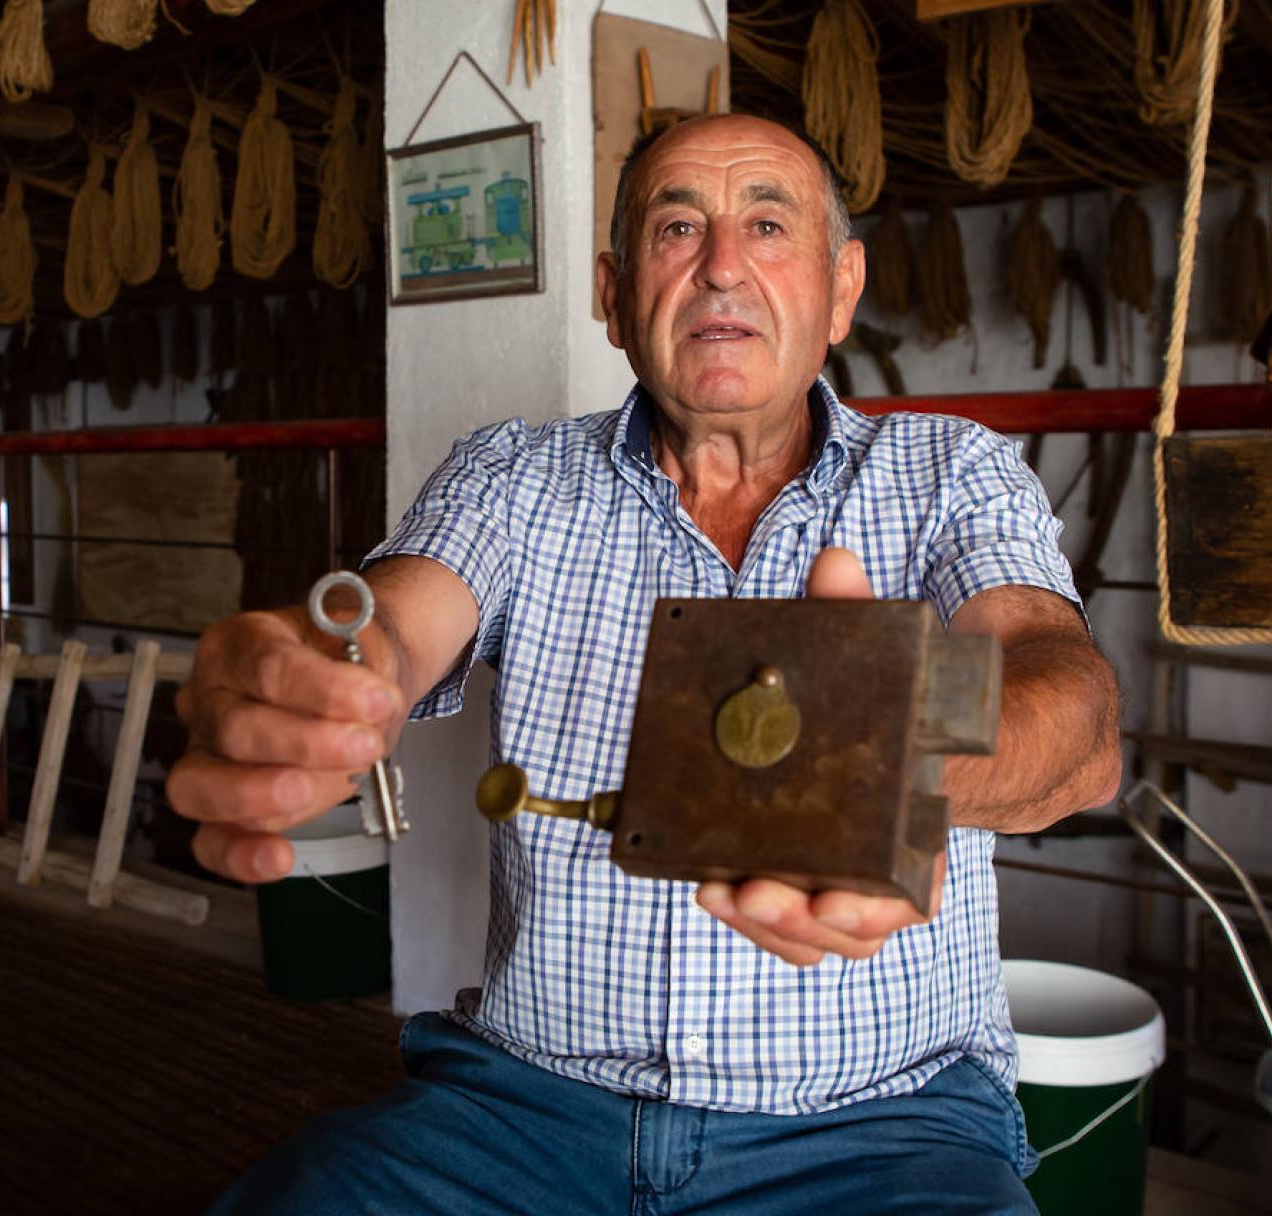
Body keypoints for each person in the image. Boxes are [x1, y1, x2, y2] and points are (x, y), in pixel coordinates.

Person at [169, 114, 1122, 1215]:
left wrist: (875, 757)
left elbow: (1074, 718)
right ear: (616, 293)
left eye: (768, 223)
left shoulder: (950, 473)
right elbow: (393, 622)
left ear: (841, 284)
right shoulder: (516, 476)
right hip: (525, 1113)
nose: (721, 265)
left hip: (876, 1129)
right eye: (679, 227)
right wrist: (323, 670)